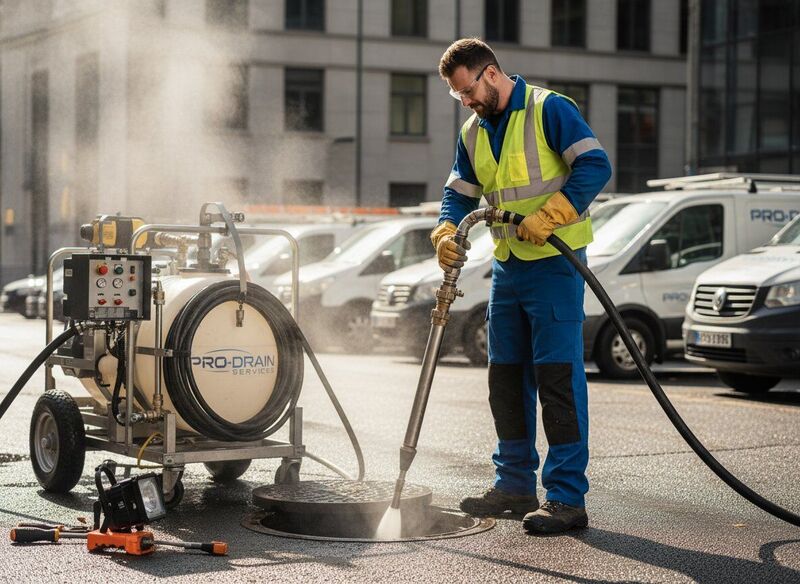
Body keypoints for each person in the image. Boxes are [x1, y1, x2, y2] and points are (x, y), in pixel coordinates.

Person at [432, 38, 612, 535]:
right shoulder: (473, 132)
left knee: (557, 380)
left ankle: (566, 498)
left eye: (466, 90)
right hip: (508, 266)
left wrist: (553, 214)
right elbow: (458, 193)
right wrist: (447, 230)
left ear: (490, 73)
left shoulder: (548, 109)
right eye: (457, 96)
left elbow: (596, 165)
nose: (464, 101)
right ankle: (513, 486)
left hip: (556, 265)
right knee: (506, 380)